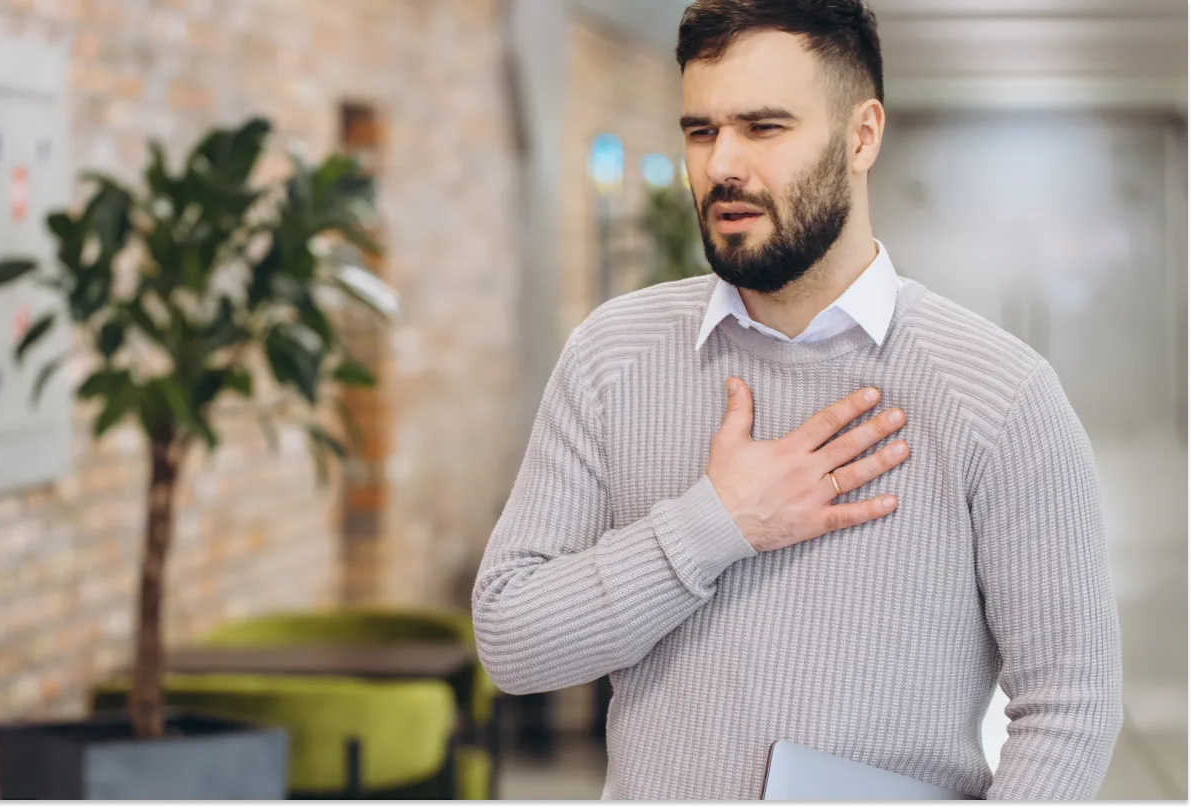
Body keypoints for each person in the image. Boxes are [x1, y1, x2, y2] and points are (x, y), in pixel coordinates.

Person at [471, 0, 1122, 800]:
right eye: (701, 131)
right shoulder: (614, 356)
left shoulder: (999, 396)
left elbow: (1070, 707)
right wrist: (718, 524)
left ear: (862, 135)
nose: (721, 167)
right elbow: (511, 640)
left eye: (764, 128)